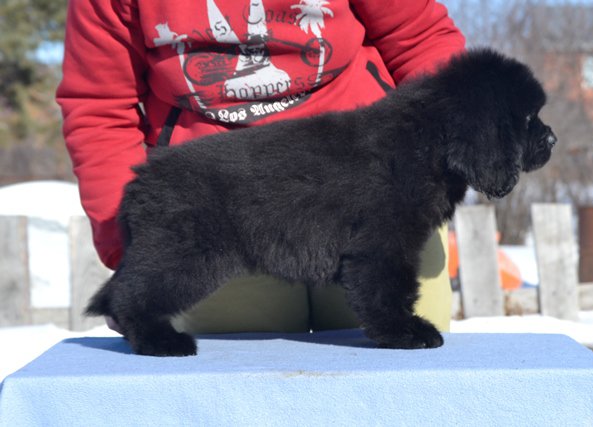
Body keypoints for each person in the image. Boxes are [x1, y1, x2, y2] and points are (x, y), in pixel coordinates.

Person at [57, 0, 465, 336]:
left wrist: (444, 167)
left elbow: (421, 42)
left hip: (376, 191)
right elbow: (100, 107)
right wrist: (133, 253)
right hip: (217, 212)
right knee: (240, 389)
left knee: (405, 373)